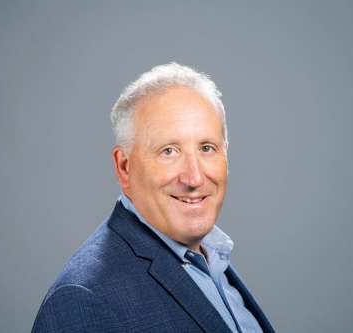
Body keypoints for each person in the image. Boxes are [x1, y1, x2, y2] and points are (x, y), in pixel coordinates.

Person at [32, 63, 275, 333]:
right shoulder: (84, 300)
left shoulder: (213, 262)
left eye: (207, 148)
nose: (194, 178)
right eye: (168, 151)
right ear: (124, 167)